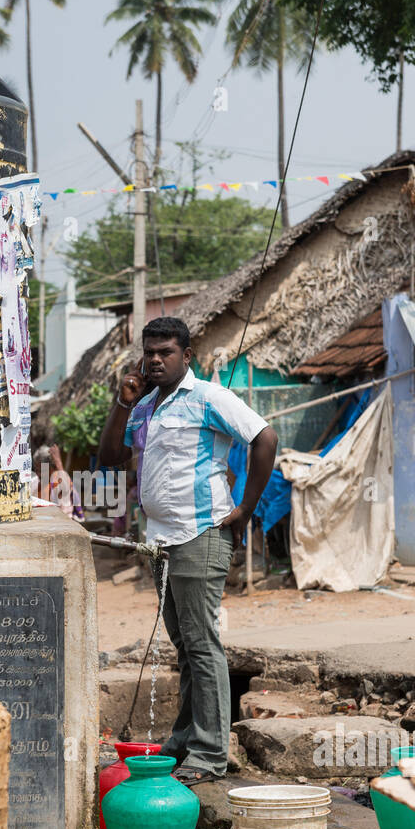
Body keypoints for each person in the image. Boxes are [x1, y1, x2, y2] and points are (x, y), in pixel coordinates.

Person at [98, 317, 277, 783]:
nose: (156, 360)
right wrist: (124, 400)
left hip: (199, 533)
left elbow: (265, 438)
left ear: (186, 356)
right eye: (150, 352)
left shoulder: (209, 398)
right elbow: (110, 458)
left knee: (202, 646)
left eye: (166, 353)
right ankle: (183, 739)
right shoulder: (146, 406)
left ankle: (210, 753)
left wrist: (245, 509)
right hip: (159, 540)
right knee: (184, 646)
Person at [30, 444, 85, 521]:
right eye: (36, 469)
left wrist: (58, 463)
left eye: (42, 470)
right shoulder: (34, 482)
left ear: (52, 468)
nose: (38, 473)